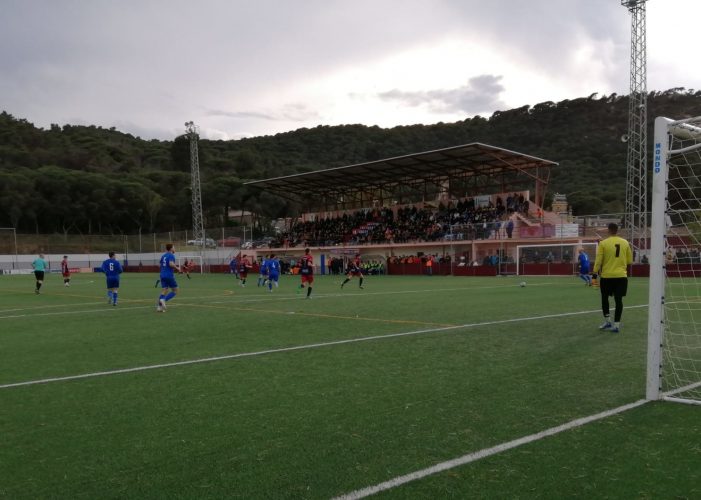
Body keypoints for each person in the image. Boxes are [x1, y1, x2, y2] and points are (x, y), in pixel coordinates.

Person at [593, 223, 633, 333]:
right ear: (617, 230)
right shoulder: (625, 243)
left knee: (604, 298)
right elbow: (630, 261)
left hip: (607, 276)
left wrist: (594, 273)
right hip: (621, 276)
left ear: (608, 230)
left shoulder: (603, 243)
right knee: (618, 300)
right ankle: (616, 325)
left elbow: (599, 260)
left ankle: (607, 321)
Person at [156, 243, 181, 312]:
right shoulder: (171, 255)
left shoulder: (163, 256)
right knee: (175, 290)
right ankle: (163, 300)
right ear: (171, 249)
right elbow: (170, 264)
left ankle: (159, 307)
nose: (174, 249)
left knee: (164, 290)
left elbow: (161, 265)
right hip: (169, 275)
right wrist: (177, 268)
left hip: (162, 275)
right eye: (174, 247)